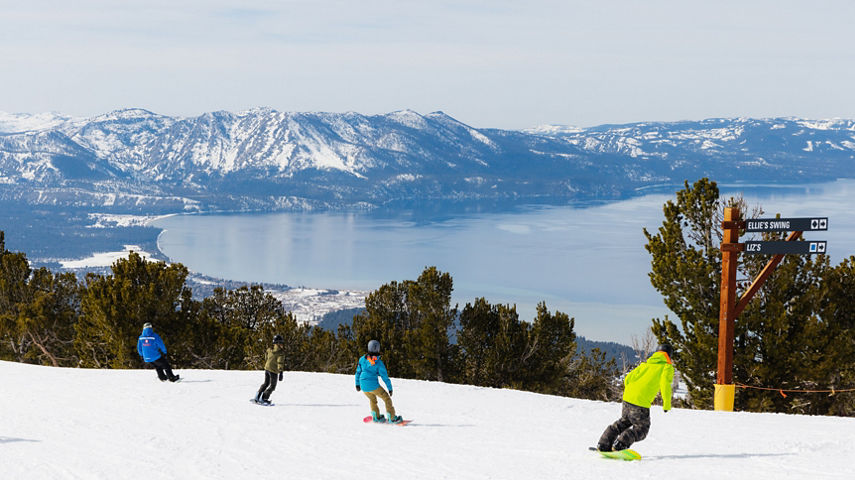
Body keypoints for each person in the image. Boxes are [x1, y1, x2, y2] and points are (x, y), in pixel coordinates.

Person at [596, 343, 674, 452]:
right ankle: (620, 444)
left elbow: (628, 378)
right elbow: (665, 385)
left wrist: (631, 392)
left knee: (624, 422)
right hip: (640, 402)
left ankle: (603, 444)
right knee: (641, 429)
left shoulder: (645, 364)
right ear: (669, 355)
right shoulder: (666, 367)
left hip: (627, 397)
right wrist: (666, 404)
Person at [355, 340, 402, 423]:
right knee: (386, 398)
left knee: (372, 399)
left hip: (363, 385)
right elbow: (385, 377)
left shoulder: (362, 359)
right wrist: (390, 388)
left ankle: (376, 417)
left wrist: (357, 384)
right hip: (373, 385)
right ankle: (392, 418)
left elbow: (358, 372)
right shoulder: (379, 363)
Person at [254, 334, 287, 405]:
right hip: (273, 371)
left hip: (267, 369)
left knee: (266, 383)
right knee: (272, 386)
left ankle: (257, 397)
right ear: (278, 343)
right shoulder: (280, 353)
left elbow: (266, 357)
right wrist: (281, 372)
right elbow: (280, 362)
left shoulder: (269, 350)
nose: (282, 344)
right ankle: (264, 398)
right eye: (281, 343)